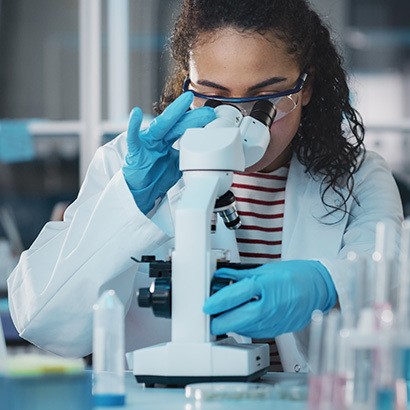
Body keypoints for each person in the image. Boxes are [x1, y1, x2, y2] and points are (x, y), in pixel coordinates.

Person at [7, 0, 403, 373]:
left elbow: (393, 287)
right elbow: (41, 319)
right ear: (188, 86)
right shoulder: (127, 163)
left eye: (267, 98)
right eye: (214, 97)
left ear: (306, 87)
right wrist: (130, 202)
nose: (245, 122)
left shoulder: (357, 178)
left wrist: (328, 284)